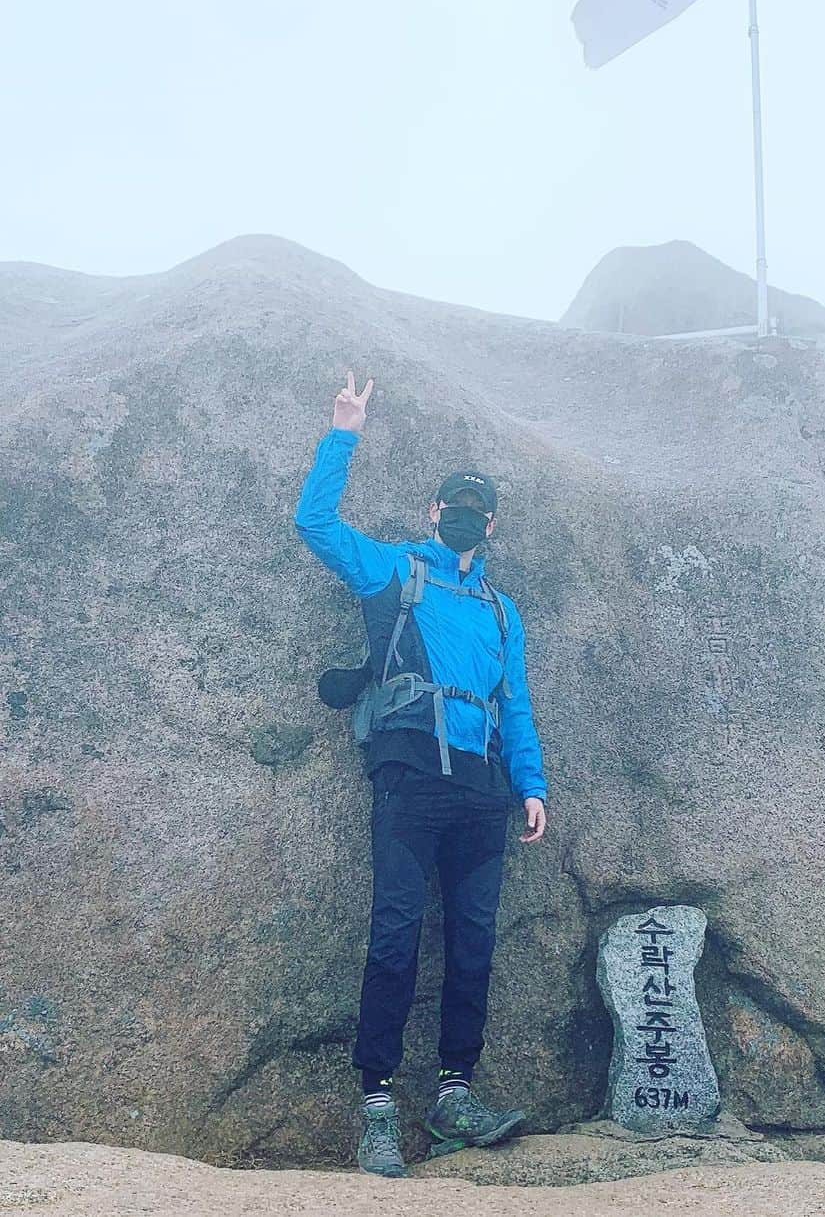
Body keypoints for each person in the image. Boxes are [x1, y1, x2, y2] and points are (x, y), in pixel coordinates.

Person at [294, 369, 548, 1177]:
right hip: (408, 773)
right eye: (452, 504)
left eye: (477, 508)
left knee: (472, 943)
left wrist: (532, 783)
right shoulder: (395, 570)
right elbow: (314, 522)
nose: (463, 515)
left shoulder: (503, 610)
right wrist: (344, 431)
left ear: (490, 525)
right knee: (396, 935)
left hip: (481, 791)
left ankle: (454, 1095)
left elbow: (518, 706)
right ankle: (376, 1104)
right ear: (434, 511)